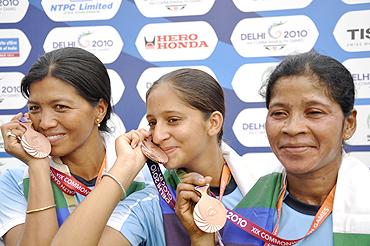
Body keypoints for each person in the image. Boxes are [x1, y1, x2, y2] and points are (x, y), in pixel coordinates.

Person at [51, 68, 281, 245]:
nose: (158, 135)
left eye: (173, 120)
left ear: (213, 123)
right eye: (152, 123)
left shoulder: (269, 189)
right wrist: (124, 168)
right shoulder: (147, 203)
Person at [177, 52, 370, 245]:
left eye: (314, 112)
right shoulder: (247, 208)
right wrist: (201, 238)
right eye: (279, 113)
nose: (293, 128)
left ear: (349, 124)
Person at [0, 47, 147, 246]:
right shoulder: (13, 180)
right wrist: (38, 166)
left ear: (100, 110)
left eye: (60, 107)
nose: (45, 122)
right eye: (35, 108)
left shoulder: (144, 174)